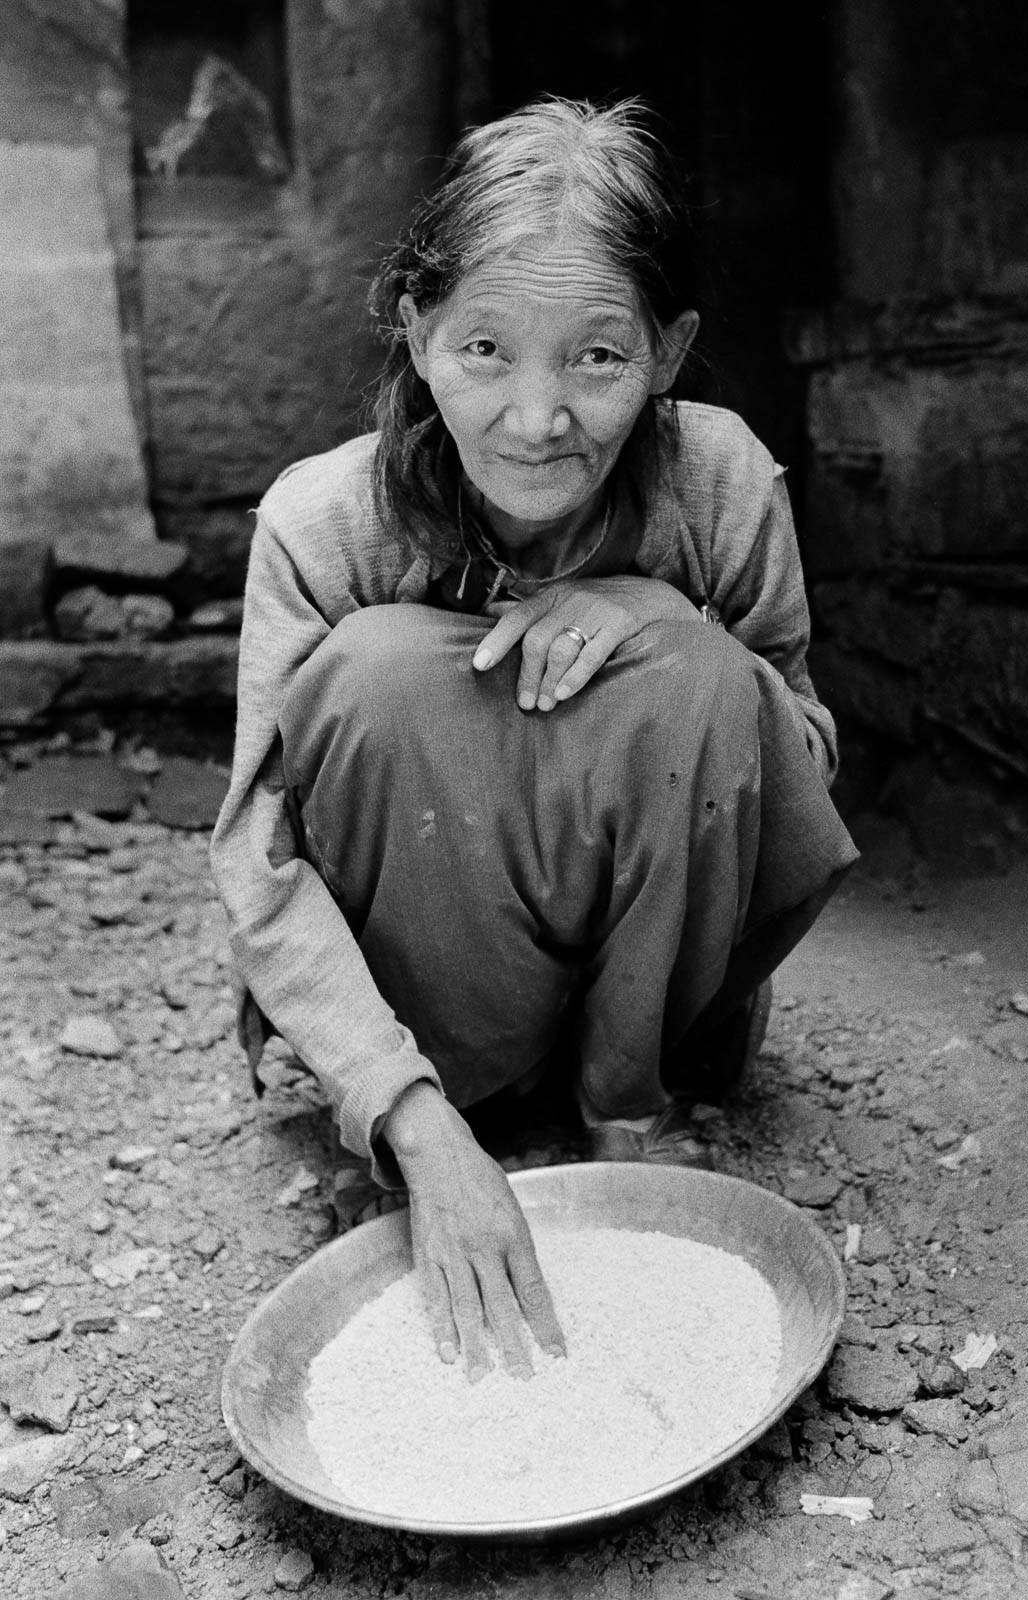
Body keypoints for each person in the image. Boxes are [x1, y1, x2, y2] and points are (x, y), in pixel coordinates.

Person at [211, 96, 857, 1384]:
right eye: (485, 349)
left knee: (711, 679)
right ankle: (456, 1110)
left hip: (656, 998)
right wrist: (410, 1122)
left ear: (670, 350)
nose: (536, 417)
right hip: (427, 1018)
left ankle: (627, 1105)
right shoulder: (325, 521)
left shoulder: (720, 483)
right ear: (415, 330)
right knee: (372, 677)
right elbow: (261, 859)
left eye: (599, 359)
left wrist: (661, 615)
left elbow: (800, 759)